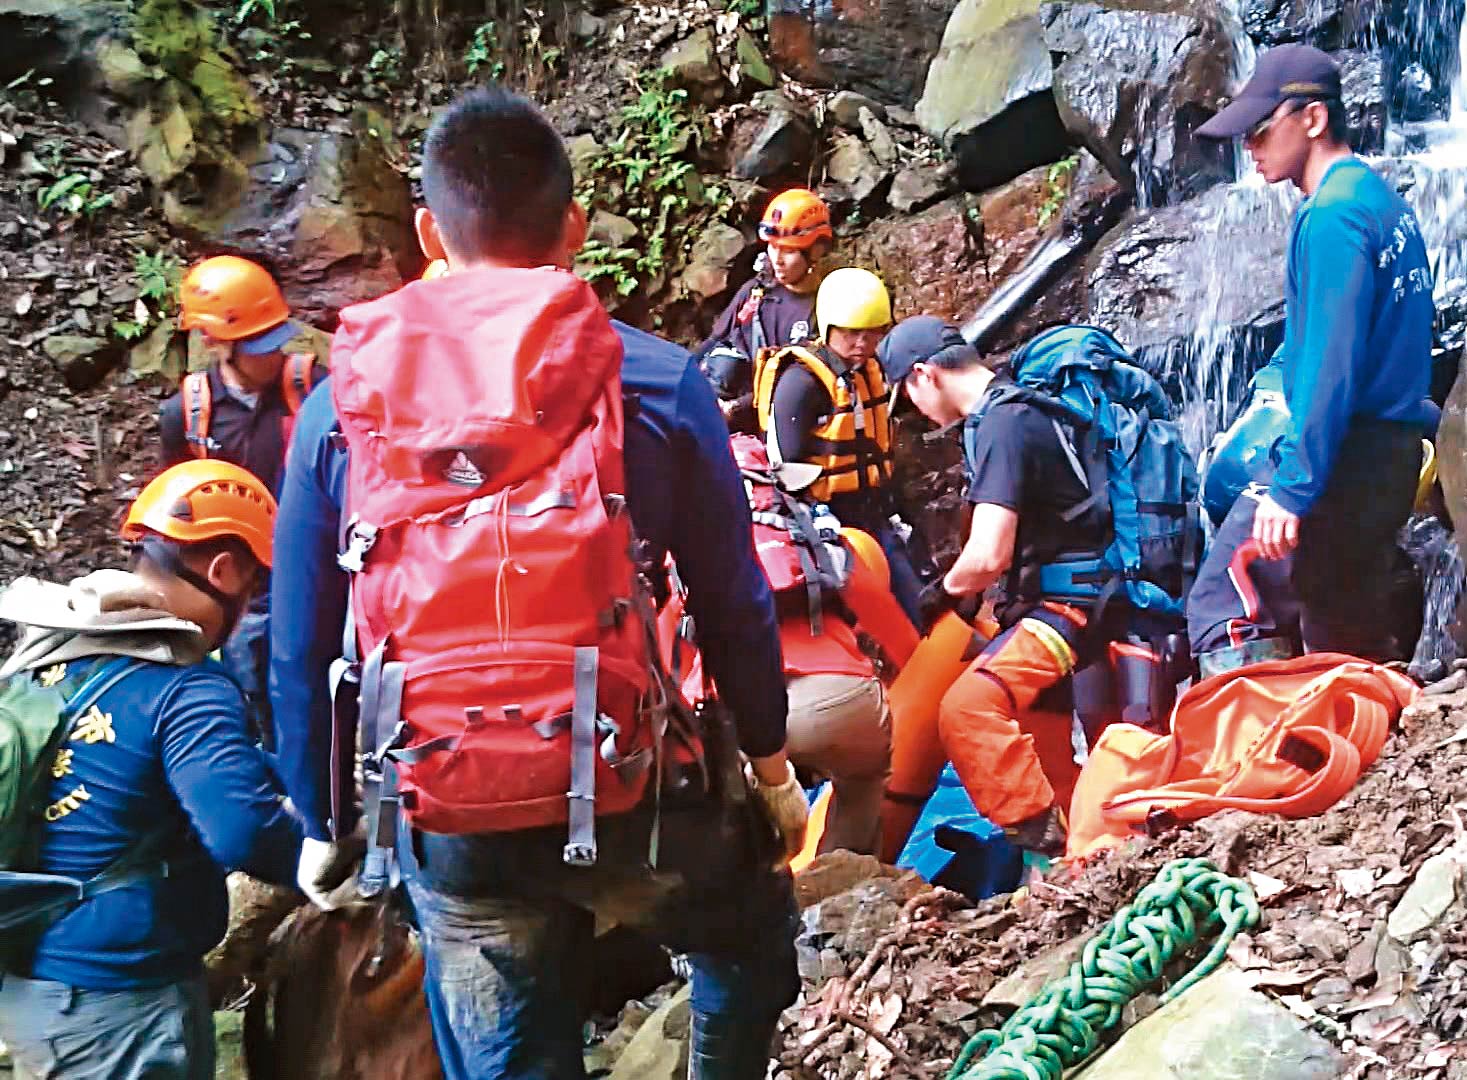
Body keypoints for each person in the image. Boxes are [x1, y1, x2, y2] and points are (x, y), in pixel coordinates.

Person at [268, 88, 804, 1080]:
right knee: (748, 940)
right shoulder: (653, 379)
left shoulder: (342, 405)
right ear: (574, 227)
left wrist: (316, 820)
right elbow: (734, 601)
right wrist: (771, 769)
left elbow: (301, 638)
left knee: (507, 1038)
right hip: (629, 788)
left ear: (430, 230)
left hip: (443, 797)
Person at [0, 460, 307, 1080]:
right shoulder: (187, 688)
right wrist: (318, 851)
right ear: (224, 570)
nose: (247, 607)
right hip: (120, 1006)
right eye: (251, 588)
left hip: (33, 984)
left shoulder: (56, 650)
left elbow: (131, 765)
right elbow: (241, 833)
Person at [1185, 44, 1437, 671]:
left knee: (1276, 615)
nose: (1251, 147)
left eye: (1262, 129)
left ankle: (1327, 755)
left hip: (1347, 458)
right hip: (1386, 452)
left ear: (1314, 120)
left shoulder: (1332, 218)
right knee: (1350, 617)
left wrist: (1293, 488)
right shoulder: (1379, 201)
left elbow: (1332, 367)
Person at [878, 318, 1114, 859]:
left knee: (966, 710)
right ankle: (1083, 863)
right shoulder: (1022, 406)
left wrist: (942, 591)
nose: (914, 414)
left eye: (908, 398)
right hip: (1077, 597)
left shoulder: (1001, 425)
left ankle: (1044, 846)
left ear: (923, 376)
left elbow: (988, 555)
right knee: (1045, 752)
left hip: (1068, 607)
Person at [157, 255, 325, 745]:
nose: (271, 355)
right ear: (214, 341)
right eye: (256, 345)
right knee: (251, 685)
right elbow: (179, 504)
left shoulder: (312, 388)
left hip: (310, 567)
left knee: (316, 684)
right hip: (241, 582)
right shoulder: (188, 415)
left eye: (274, 340)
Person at [732, 434, 918, 856]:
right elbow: (898, 636)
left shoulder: (680, 556)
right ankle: (840, 877)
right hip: (839, 700)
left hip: (742, 718)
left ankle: (768, 887)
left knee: (736, 815)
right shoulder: (817, 539)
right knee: (862, 781)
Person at [752, 267, 926, 622]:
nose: (863, 343)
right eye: (851, 333)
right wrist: (816, 523)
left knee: (914, 602)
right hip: (828, 521)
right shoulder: (801, 382)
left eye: (873, 332)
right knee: (851, 615)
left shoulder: (870, 370)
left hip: (873, 510)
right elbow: (785, 463)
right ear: (829, 327)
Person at [696, 188, 834, 402]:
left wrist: (734, 409)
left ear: (815, 251)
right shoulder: (756, 292)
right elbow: (713, 341)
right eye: (772, 247)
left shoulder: (822, 311)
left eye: (788, 250)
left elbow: (794, 387)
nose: (777, 259)